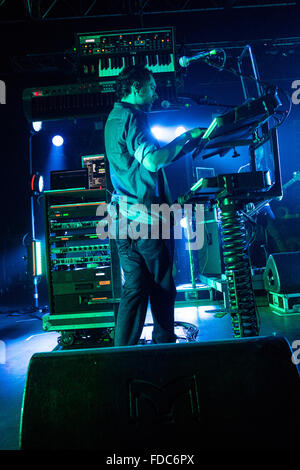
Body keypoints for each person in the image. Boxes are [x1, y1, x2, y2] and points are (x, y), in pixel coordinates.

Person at [104, 65, 204, 346]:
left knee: (134, 291)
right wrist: (186, 139)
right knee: (162, 289)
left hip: (123, 222)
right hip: (148, 222)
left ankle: (121, 360)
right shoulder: (133, 117)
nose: (156, 91)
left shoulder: (113, 117)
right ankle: (164, 354)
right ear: (136, 88)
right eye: (151, 86)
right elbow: (153, 161)